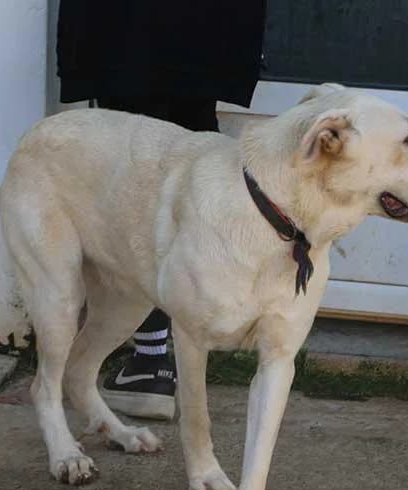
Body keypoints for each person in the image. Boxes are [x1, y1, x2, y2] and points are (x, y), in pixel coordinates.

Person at [56, 1, 267, 419]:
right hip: (207, 26)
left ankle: (151, 361)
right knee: (193, 163)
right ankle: (189, 343)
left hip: (126, 26)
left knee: (135, 176)